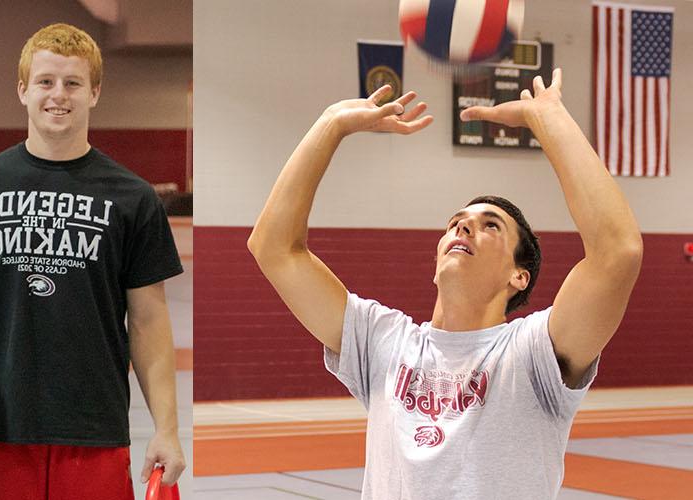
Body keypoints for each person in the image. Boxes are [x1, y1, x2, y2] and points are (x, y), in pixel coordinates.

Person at [247, 69, 641, 498]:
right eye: (455, 223)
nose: (464, 228)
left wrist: (548, 118)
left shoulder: (532, 355)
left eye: (489, 226)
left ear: (519, 276)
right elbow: (274, 248)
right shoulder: (383, 341)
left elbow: (616, 252)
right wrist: (331, 124)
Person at [0, 23, 184, 499]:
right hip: (2, 425)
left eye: (73, 83)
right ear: (22, 90)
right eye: (46, 82)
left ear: (94, 92)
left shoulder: (132, 197)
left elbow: (150, 320)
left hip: (94, 427)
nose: (59, 95)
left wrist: (167, 429)